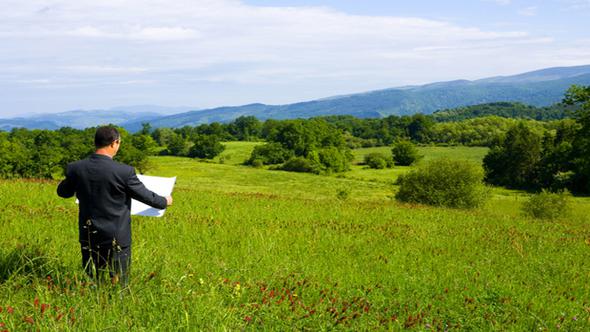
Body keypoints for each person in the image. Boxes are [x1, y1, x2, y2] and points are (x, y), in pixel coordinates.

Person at [57, 126, 172, 287]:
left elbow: (63, 192)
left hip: (88, 234)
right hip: (117, 237)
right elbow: (146, 196)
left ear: (95, 142)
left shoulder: (76, 168)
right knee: (119, 283)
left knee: (92, 279)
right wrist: (164, 201)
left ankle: (93, 304)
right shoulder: (124, 172)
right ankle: (118, 306)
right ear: (114, 143)